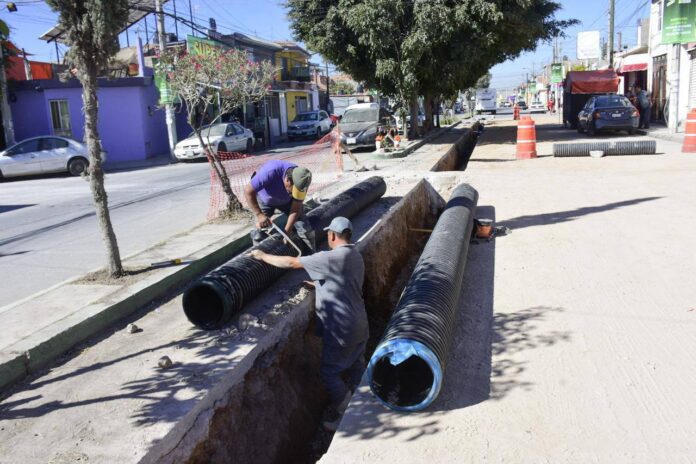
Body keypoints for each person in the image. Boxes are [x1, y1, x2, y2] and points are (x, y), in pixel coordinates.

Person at [250, 216, 369, 430]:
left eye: (328, 234)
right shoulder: (355, 255)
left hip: (341, 329)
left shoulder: (329, 258)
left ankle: (346, 415)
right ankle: (367, 402)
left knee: (330, 372)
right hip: (360, 324)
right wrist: (320, 285)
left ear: (332, 235)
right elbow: (344, 282)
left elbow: (291, 262)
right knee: (357, 365)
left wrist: (262, 255)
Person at [244, 160, 313, 247]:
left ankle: (310, 253)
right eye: (293, 191)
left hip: (287, 202)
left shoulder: (302, 181)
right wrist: (259, 215)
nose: (294, 193)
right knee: (258, 234)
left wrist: (287, 232)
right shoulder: (270, 171)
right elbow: (248, 191)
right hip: (265, 200)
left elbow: (295, 210)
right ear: (287, 180)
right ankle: (257, 254)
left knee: (304, 228)